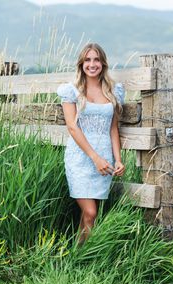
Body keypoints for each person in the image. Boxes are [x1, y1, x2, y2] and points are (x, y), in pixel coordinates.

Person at [57, 43, 125, 245]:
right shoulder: (72, 91)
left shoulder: (113, 91)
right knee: (90, 211)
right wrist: (95, 158)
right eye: (87, 60)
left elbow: (113, 128)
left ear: (103, 63)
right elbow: (72, 127)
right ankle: (81, 257)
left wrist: (118, 159)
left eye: (96, 59)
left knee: (89, 216)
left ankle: (79, 255)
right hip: (81, 157)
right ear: (81, 63)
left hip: (106, 159)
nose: (92, 64)